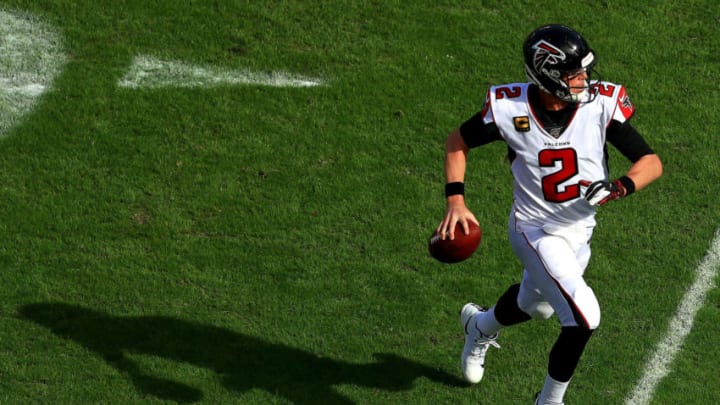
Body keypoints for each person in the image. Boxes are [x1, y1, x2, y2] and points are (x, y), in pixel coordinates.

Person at [436, 24, 663, 404]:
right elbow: (457, 142)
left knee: (536, 306)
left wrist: (621, 185)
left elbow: (650, 161)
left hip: (579, 230)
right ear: (547, 75)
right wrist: (455, 201)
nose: (584, 80)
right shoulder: (511, 109)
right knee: (585, 317)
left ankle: (479, 326)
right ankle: (549, 401)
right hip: (534, 229)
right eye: (574, 73)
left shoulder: (599, 105)